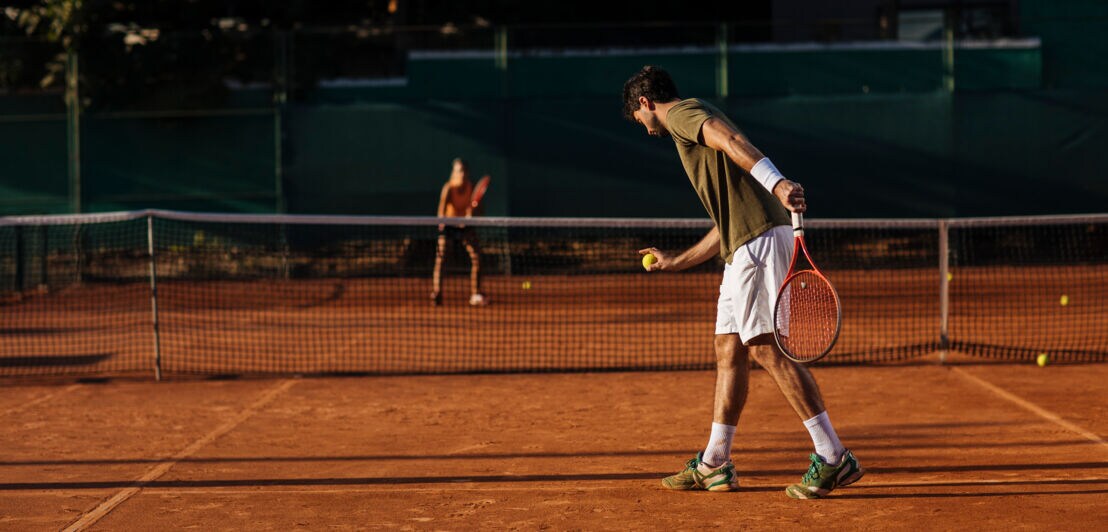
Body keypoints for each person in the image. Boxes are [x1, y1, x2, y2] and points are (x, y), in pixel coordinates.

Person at [624, 65, 862, 498]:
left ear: (645, 103)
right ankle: (716, 462)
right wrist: (676, 262)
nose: (643, 127)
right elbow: (723, 225)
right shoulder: (695, 132)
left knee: (766, 348)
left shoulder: (680, 114)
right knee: (728, 348)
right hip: (741, 246)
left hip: (759, 243)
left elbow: (730, 140)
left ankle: (833, 457)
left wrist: (777, 183)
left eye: (638, 118)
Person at [431, 158, 487, 307]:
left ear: (467, 172)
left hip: (466, 226)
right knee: (440, 258)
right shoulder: (448, 188)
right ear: (454, 173)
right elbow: (440, 213)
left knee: (477, 257)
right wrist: (444, 227)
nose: (461, 174)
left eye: (463, 170)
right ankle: (437, 292)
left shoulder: (471, 187)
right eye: (458, 171)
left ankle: (475, 293)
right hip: (449, 226)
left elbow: (480, 213)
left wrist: (473, 213)